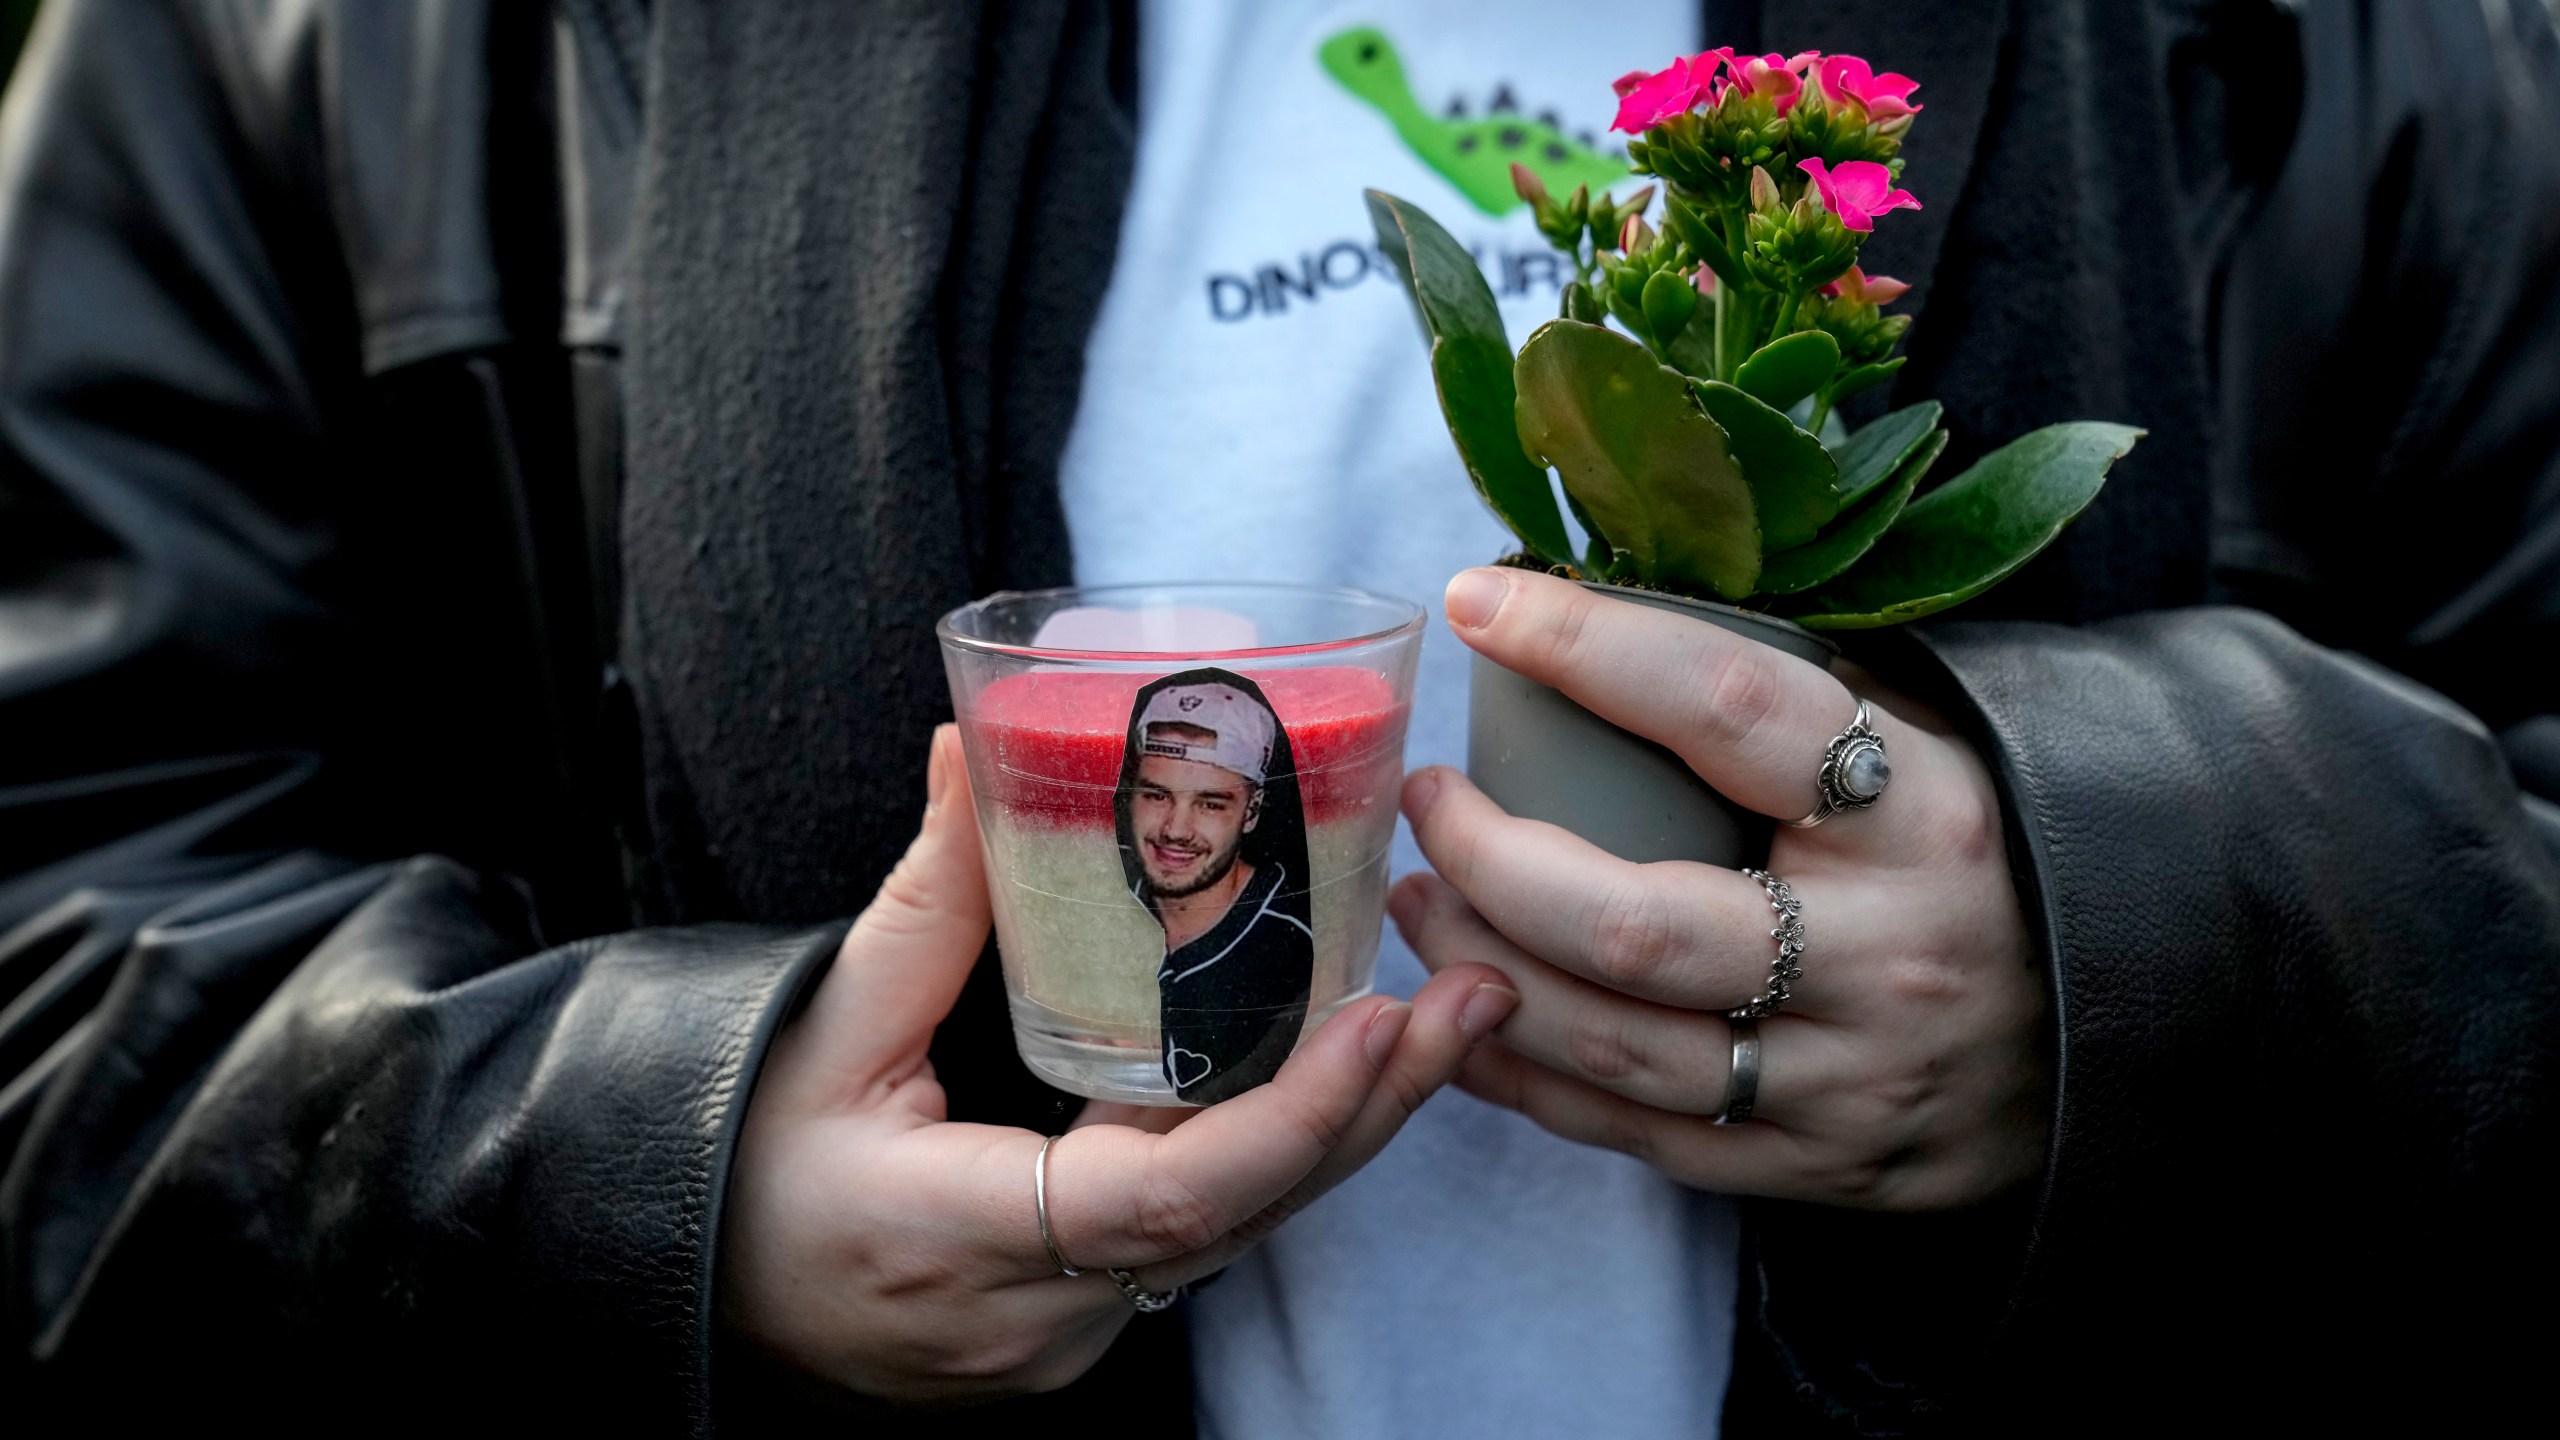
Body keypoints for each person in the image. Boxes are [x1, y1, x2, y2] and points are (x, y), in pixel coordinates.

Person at [1, 3, 2553, 1437]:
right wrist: (657, 1186)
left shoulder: (2367, 55)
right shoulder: (327, 51)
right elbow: (68, 930)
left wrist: (2158, 942)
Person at [1119, 676, 1316, 1103]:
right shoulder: (1101, 893)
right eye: (1156, 795)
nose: (1175, 830)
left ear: (1252, 811)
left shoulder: (1291, 947)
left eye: (1210, 803)